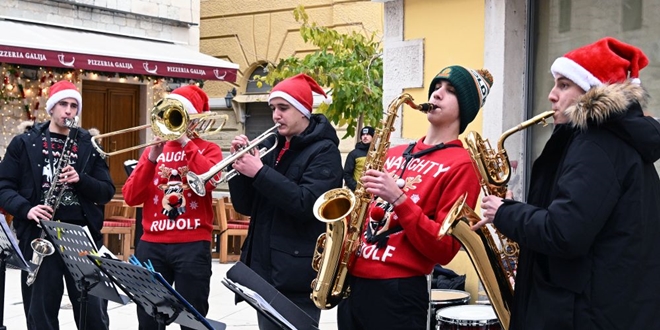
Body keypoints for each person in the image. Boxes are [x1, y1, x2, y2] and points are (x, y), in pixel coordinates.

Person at [478, 37, 660, 329]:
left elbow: (564, 233)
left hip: (582, 314)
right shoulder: (612, 142)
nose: (552, 95)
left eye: (564, 85)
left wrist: (505, 212)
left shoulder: (597, 146)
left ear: (592, 94)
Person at [337, 65, 493, 330]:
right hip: (353, 284)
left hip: (399, 293)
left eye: (450, 91)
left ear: (465, 108)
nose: (437, 94)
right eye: (436, 87)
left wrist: (399, 199)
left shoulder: (463, 164)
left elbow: (445, 250)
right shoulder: (395, 152)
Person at [228, 73, 343, 329]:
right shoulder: (273, 146)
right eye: (272, 108)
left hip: (296, 273)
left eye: (283, 108)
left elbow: (308, 204)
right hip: (264, 270)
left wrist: (259, 172)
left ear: (303, 111)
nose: (276, 115)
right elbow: (246, 207)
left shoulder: (325, 151)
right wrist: (240, 171)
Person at [0, 80, 114, 330]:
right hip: (39, 234)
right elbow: (4, 186)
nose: (69, 111)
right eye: (63, 104)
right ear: (51, 108)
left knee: (92, 311)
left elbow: (107, 191)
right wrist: (26, 209)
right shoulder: (25, 142)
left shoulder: (89, 145)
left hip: (80, 236)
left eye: (74, 106)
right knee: (40, 311)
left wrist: (81, 179)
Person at [122, 85, 223, 330]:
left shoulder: (209, 149)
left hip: (192, 244)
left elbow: (209, 183)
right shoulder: (153, 152)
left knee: (193, 319)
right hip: (151, 245)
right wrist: (150, 159)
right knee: (148, 319)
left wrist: (186, 143)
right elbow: (131, 197)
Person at [343, 126, 374, 191]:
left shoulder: (376, 153)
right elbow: (347, 174)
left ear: (373, 137)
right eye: (363, 135)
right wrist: (356, 187)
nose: (365, 136)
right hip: (358, 191)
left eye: (368, 134)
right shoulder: (353, 154)